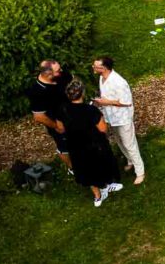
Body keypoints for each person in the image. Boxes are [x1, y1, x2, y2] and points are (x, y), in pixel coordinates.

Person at [60, 79, 123, 207]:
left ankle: (97, 196)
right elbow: (103, 129)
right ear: (82, 93)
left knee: (85, 169)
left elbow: (60, 128)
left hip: (76, 145)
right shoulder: (90, 110)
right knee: (102, 163)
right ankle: (107, 184)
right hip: (93, 144)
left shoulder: (64, 110)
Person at [92, 56, 144, 185]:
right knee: (119, 141)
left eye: (95, 66)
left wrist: (106, 102)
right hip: (111, 117)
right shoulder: (101, 78)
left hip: (122, 118)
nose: (93, 68)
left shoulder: (119, 82)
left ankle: (140, 171)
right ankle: (130, 160)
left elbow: (126, 102)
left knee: (129, 144)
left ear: (103, 68)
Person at [27, 60, 73, 170]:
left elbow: (72, 83)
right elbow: (39, 116)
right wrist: (57, 127)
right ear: (48, 74)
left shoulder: (61, 76)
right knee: (64, 147)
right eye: (58, 71)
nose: (61, 72)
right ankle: (73, 168)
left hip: (72, 116)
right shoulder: (37, 91)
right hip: (58, 124)